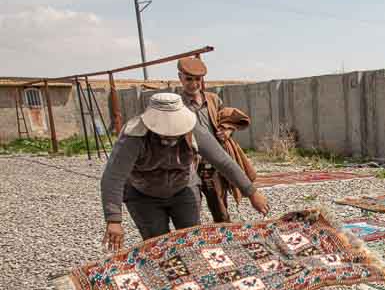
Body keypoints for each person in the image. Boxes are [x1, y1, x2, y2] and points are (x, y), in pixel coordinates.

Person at [100, 92, 269, 251]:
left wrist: (251, 192)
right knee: (158, 245)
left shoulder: (193, 130)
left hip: (183, 188)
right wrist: (114, 220)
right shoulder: (134, 135)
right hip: (143, 195)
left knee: (191, 240)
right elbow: (113, 176)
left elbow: (222, 161)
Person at [178, 56, 256, 222]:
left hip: (214, 165)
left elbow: (225, 119)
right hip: (190, 166)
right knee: (190, 210)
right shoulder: (177, 105)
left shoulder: (213, 99)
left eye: (197, 79)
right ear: (180, 78)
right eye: (188, 79)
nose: (193, 84)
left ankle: (225, 241)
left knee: (220, 210)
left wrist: (227, 131)